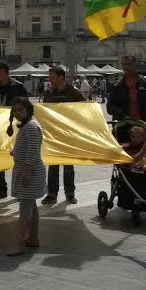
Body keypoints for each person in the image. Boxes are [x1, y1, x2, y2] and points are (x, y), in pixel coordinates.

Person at [6, 97, 46, 256]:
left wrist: (27, 170)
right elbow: (29, 147)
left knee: (25, 210)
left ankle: (19, 244)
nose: (17, 113)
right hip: (29, 170)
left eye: (20, 110)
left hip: (30, 171)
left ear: (28, 110)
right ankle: (33, 238)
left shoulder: (30, 127)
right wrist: (16, 151)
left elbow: (33, 151)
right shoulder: (28, 126)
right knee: (31, 206)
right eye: (15, 110)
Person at [41, 66, 86, 205]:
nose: (51, 80)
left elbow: (84, 110)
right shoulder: (48, 93)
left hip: (69, 134)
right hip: (53, 133)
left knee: (68, 166)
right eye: (50, 77)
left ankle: (70, 193)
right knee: (53, 165)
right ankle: (51, 194)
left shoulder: (74, 93)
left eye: (53, 77)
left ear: (62, 77)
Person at [0, 61, 28, 200]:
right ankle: (1, 189)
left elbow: (25, 107)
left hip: (16, 127)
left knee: (20, 157)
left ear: (4, 72)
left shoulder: (18, 87)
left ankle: (22, 188)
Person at [107, 55, 146, 127]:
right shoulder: (116, 86)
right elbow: (110, 107)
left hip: (144, 124)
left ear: (135, 65)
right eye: (124, 64)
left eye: (129, 64)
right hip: (123, 125)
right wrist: (124, 116)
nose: (126, 66)